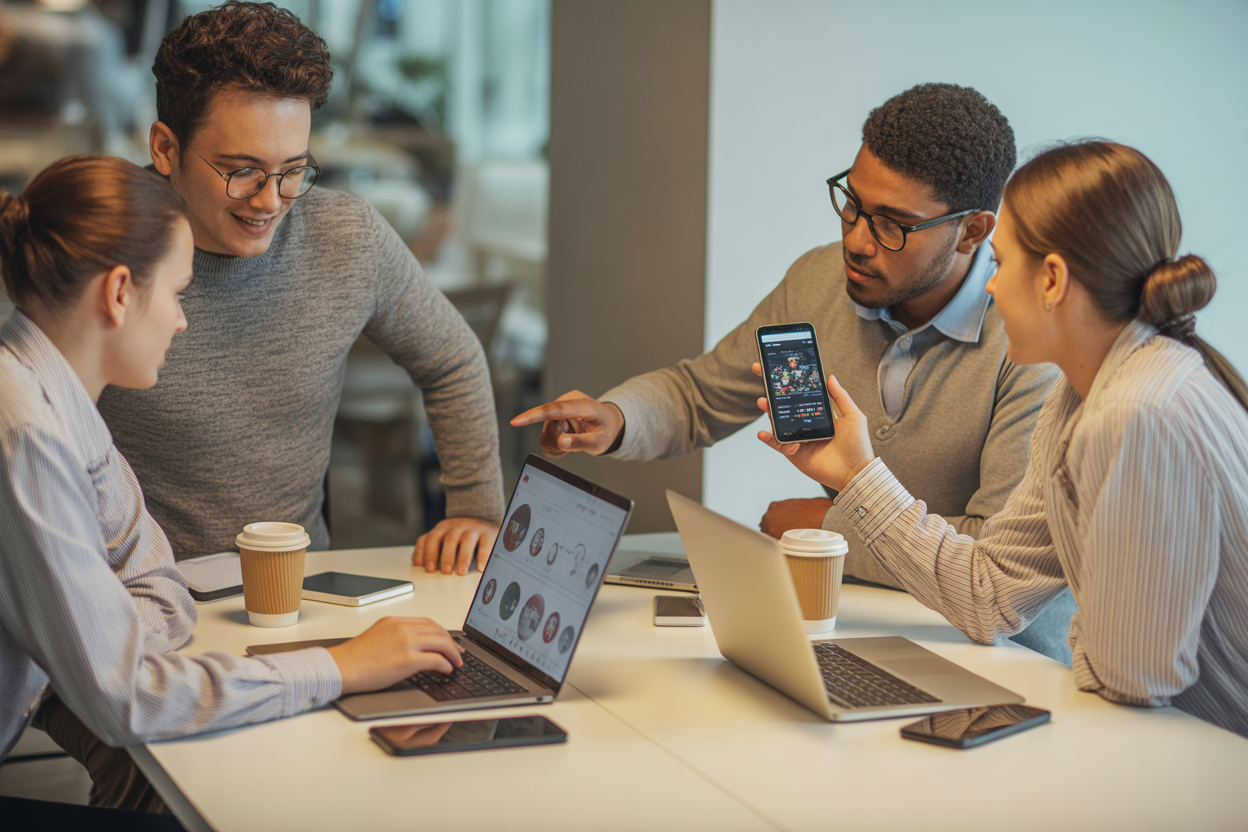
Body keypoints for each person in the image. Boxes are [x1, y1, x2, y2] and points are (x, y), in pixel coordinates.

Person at [512, 83, 1069, 656]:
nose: (855, 240)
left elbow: (994, 560)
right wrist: (615, 418)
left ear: (973, 231)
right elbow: (701, 395)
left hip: (1006, 658)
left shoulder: (1030, 341)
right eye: (853, 204)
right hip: (860, 629)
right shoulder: (820, 283)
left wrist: (831, 524)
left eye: (892, 225)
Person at [0, 156, 467, 811]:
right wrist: (338, 667)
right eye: (176, 292)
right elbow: (125, 699)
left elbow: (158, 586)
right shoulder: (27, 434)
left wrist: (119, 636)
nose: (182, 320)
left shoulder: (56, 396)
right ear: (119, 293)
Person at [759, 141, 1248, 738]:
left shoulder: (1133, 414)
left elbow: (1132, 683)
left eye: (1002, 261)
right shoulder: (1082, 395)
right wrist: (858, 475)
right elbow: (990, 594)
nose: (988, 287)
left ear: (1052, 280)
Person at [94, 1, 503, 577]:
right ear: (166, 148)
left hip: (298, 598)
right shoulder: (96, 244)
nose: (269, 201)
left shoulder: (347, 236)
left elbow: (453, 358)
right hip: (135, 607)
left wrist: (477, 510)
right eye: (241, 169)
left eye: (293, 170)